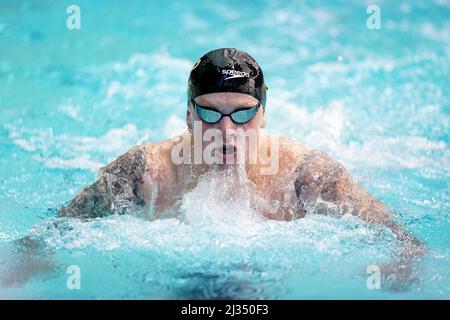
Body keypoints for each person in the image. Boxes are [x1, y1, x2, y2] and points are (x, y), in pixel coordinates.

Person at [59, 48, 423, 269]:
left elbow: (403, 240)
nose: (227, 131)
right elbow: (55, 231)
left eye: (244, 114)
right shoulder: (146, 172)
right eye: (210, 114)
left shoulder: (304, 176)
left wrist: (399, 268)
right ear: (188, 116)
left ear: (263, 115)